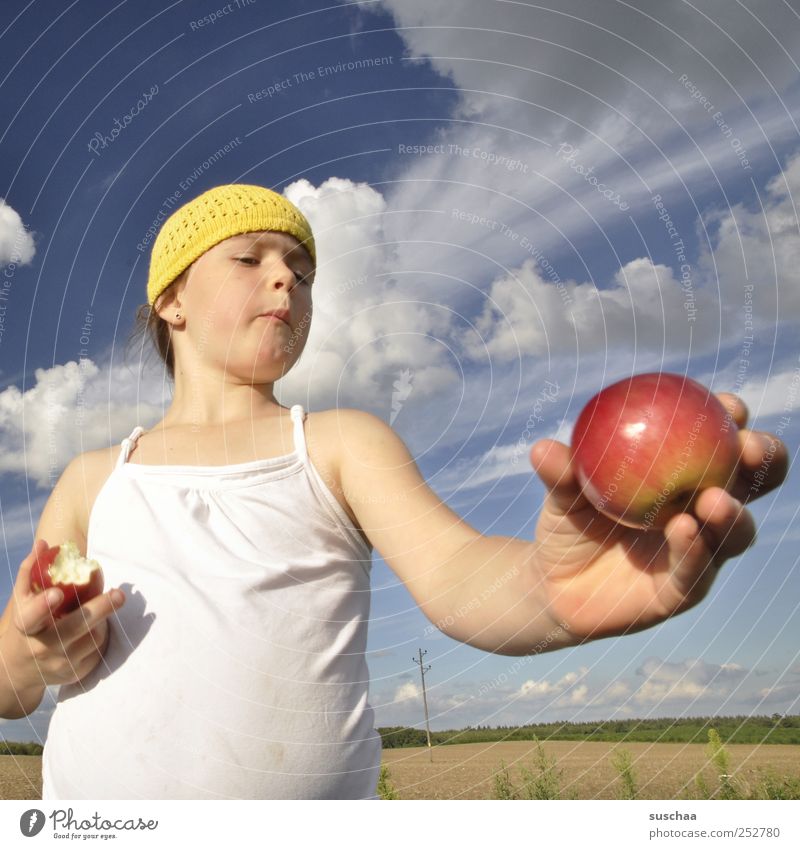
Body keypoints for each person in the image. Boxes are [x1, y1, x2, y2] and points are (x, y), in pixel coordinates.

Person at [0, 184, 788, 800]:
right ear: (170, 300)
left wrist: (552, 592)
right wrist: (40, 649)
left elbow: (457, 576)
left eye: (302, 271)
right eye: (251, 258)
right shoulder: (95, 477)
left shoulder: (342, 444)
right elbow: (10, 682)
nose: (287, 277)